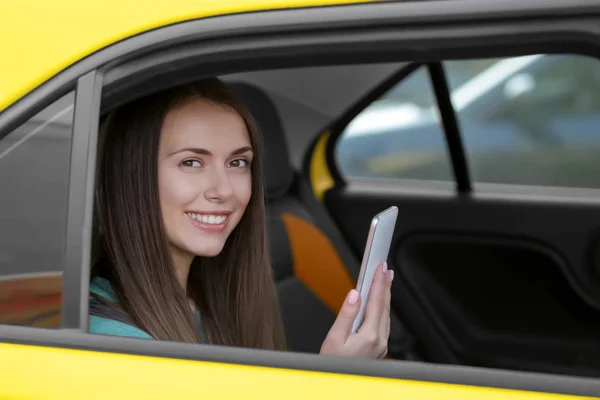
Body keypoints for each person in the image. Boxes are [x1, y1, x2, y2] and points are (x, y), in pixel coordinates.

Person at [89, 78, 393, 359]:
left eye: (237, 162)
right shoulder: (116, 344)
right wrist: (332, 383)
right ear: (129, 177)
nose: (224, 190)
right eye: (192, 162)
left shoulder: (211, 296)